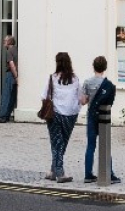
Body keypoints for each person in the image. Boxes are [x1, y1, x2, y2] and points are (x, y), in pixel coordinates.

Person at [81, 56, 120, 184]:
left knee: (90, 146)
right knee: (105, 145)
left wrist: (90, 100)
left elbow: (83, 101)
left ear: (93, 67)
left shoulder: (87, 82)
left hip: (91, 117)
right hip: (104, 118)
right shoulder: (109, 86)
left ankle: (88, 174)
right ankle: (110, 173)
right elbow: (110, 103)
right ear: (105, 68)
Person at [43, 52, 81, 183]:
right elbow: (80, 98)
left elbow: (44, 96)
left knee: (56, 143)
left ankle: (58, 173)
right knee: (62, 143)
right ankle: (55, 171)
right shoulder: (75, 79)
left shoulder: (52, 78)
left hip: (55, 114)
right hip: (71, 115)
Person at [0, 35, 18, 123]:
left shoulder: (9, 51)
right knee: (12, 97)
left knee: (6, 95)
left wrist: (15, 76)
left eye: (5, 40)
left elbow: (11, 64)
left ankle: (2, 116)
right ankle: (6, 115)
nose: (4, 42)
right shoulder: (16, 49)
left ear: (9, 42)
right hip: (14, 75)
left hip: (10, 75)